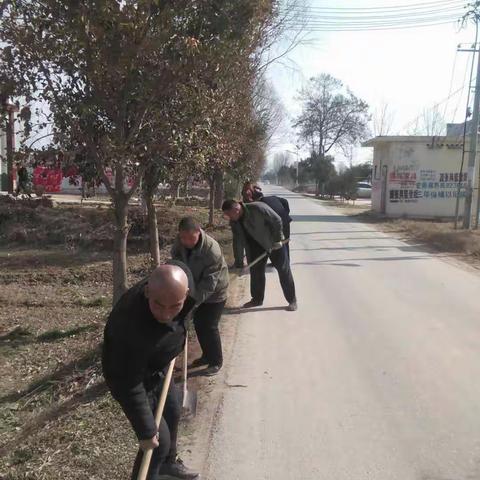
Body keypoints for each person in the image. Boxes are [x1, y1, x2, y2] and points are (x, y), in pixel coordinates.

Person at [102, 265, 200, 480]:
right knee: (157, 443)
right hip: (133, 377)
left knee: (173, 410)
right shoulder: (127, 329)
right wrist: (146, 430)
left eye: (175, 306)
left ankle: (168, 464)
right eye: (158, 305)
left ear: (185, 294)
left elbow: (179, 315)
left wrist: (178, 337)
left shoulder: (182, 283)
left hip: (158, 365)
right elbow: (126, 383)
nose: (166, 314)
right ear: (147, 292)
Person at [171, 217, 229, 376]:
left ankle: (216, 361)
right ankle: (206, 356)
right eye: (183, 238)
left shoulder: (212, 250)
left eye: (191, 238)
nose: (187, 242)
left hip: (216, 292)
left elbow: (209, 284)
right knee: (198, 324)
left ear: (199, 232)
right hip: (194, 287)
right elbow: (176, 263)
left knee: (208, 326)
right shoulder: (179, 242)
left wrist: (192, 302)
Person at [222, 199, 297, 312]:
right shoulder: (234, 222)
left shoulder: (257, 208)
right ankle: (257, 299)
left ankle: (292, 300)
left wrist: (278, 239)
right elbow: (238, 241)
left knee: (283, 270)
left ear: (236, 210)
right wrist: (239, 263)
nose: (228, 217)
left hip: (273, 243)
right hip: (255, 247)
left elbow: (277, 220)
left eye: (229, 214)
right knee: (256, 272)